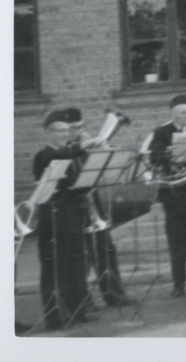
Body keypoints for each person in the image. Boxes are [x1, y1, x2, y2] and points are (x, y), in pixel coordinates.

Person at [33, 110, 99, 330]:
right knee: (53, 270)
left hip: (73, 217)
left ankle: (77, 311)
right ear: (47, 132)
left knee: (76, 266)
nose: (65, 134)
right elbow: (53, 158)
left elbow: (80, 184)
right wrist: (82, 146)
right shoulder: (44, 155)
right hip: (52, 221)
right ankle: (54, 317)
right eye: (59, 131)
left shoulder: (71, 154)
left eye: (67, 130)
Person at [63, 107, 132, 307]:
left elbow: (99, 175)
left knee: (106, 249)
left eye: (81, 127)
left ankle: (114, 294)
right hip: (74, 208)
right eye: (74, 128)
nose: (79, 131)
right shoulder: (63, 151)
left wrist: (101, 155)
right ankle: (83, 301)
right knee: (81, 256)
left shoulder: (83, 148)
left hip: (93, 205)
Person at [148, 94, 186, 297]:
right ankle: (179, 285)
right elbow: (154, 157)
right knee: (177, 243)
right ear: (172, 113)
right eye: (182, 113)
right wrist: (170, 151)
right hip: (173, 196)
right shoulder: (162, 132)